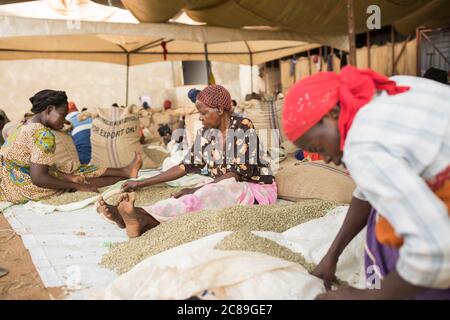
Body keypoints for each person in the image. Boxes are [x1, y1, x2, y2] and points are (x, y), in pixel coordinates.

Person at [282, 66, 450, 300]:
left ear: (331, 114)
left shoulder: (361, 147)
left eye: (319, 148)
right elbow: (367, 191)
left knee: (392, 232)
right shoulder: (385, 90)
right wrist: (333, 254)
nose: (327, 159)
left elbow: (437, 250)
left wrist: (365, 296)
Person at [97, 85, 277, 238]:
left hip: (254, 189)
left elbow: (235, 175)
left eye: (204, 113)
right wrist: (141, 182)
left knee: (199, 196)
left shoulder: (242, 126)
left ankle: (143, 220)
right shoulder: (206, 133)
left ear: (220, 110)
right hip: (222, 185)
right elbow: (185, 166)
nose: (200, 117)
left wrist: (195, 189)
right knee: (195, 197)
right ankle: (139, 215)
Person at [0, 89, 143, 204]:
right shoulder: (42, 135)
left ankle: (125, 171)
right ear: (49, 110)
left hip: (10, 182)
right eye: (63, 115)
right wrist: (76, 185)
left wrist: (68, 177)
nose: (64, 121)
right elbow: (39, 179)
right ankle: (123, 176)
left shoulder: (23, 126)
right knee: (75, 178)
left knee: (69, 168)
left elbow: (31, 166)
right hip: (23, 187)